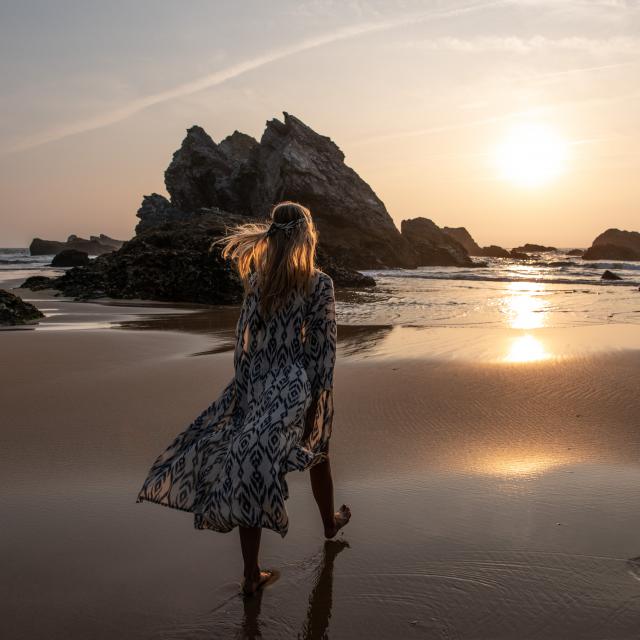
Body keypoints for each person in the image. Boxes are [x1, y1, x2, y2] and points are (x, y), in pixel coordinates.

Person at [136, 201, 351, 595]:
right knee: (317, 449)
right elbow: (324, 348)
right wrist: (317, 398)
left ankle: (253, 573)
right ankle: (328, 524)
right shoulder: (319, 284)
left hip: (255, 383)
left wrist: (243, 389)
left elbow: (243, 343)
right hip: (293, 384)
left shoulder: (257, 279)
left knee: (249, 463)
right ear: (307, 234)